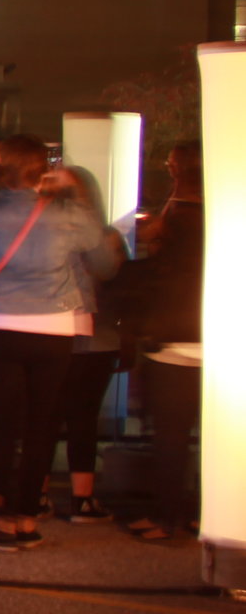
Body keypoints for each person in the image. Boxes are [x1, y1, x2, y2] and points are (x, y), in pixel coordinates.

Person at [0, 133, 117, 552]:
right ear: (44, 169)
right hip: (54, 327)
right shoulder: (71, 214)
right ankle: (25, 519)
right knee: (42, 424)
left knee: (3, 429)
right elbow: (105, 264)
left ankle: (2, 522)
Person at [126, 140, 204, 540]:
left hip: (173, 337)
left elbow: (157, 275)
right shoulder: (224, 212)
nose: (168, 168)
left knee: (170, 434)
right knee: (212, 437)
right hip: (216, 337)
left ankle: (166, 516)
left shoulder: (176, 218)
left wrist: (155, 239)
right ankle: (204, 514)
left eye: (172, 164)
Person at [50, 165, 127, 525]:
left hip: (52, 332)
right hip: (98, 336)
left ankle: (37, 493)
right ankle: (82, 499)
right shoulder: (105, 236)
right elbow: (113, 276)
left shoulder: (42, 233)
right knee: (83, 418)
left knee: (45, 416)